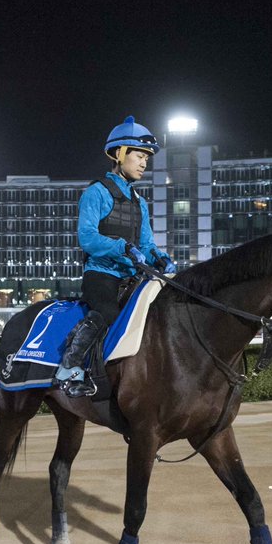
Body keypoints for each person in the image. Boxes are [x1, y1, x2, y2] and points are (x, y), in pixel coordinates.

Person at [55, 116, 177, 396]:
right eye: (139, 155)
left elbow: (145, 243)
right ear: (120, 154)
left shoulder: (140, 202)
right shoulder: (96, 192)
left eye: (147, 157)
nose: (144, 162)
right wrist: (120, 247)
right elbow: (87, 238)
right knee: (109, 313)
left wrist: (159, 257)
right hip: (101, 274)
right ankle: (70, 368)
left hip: (132, 276)